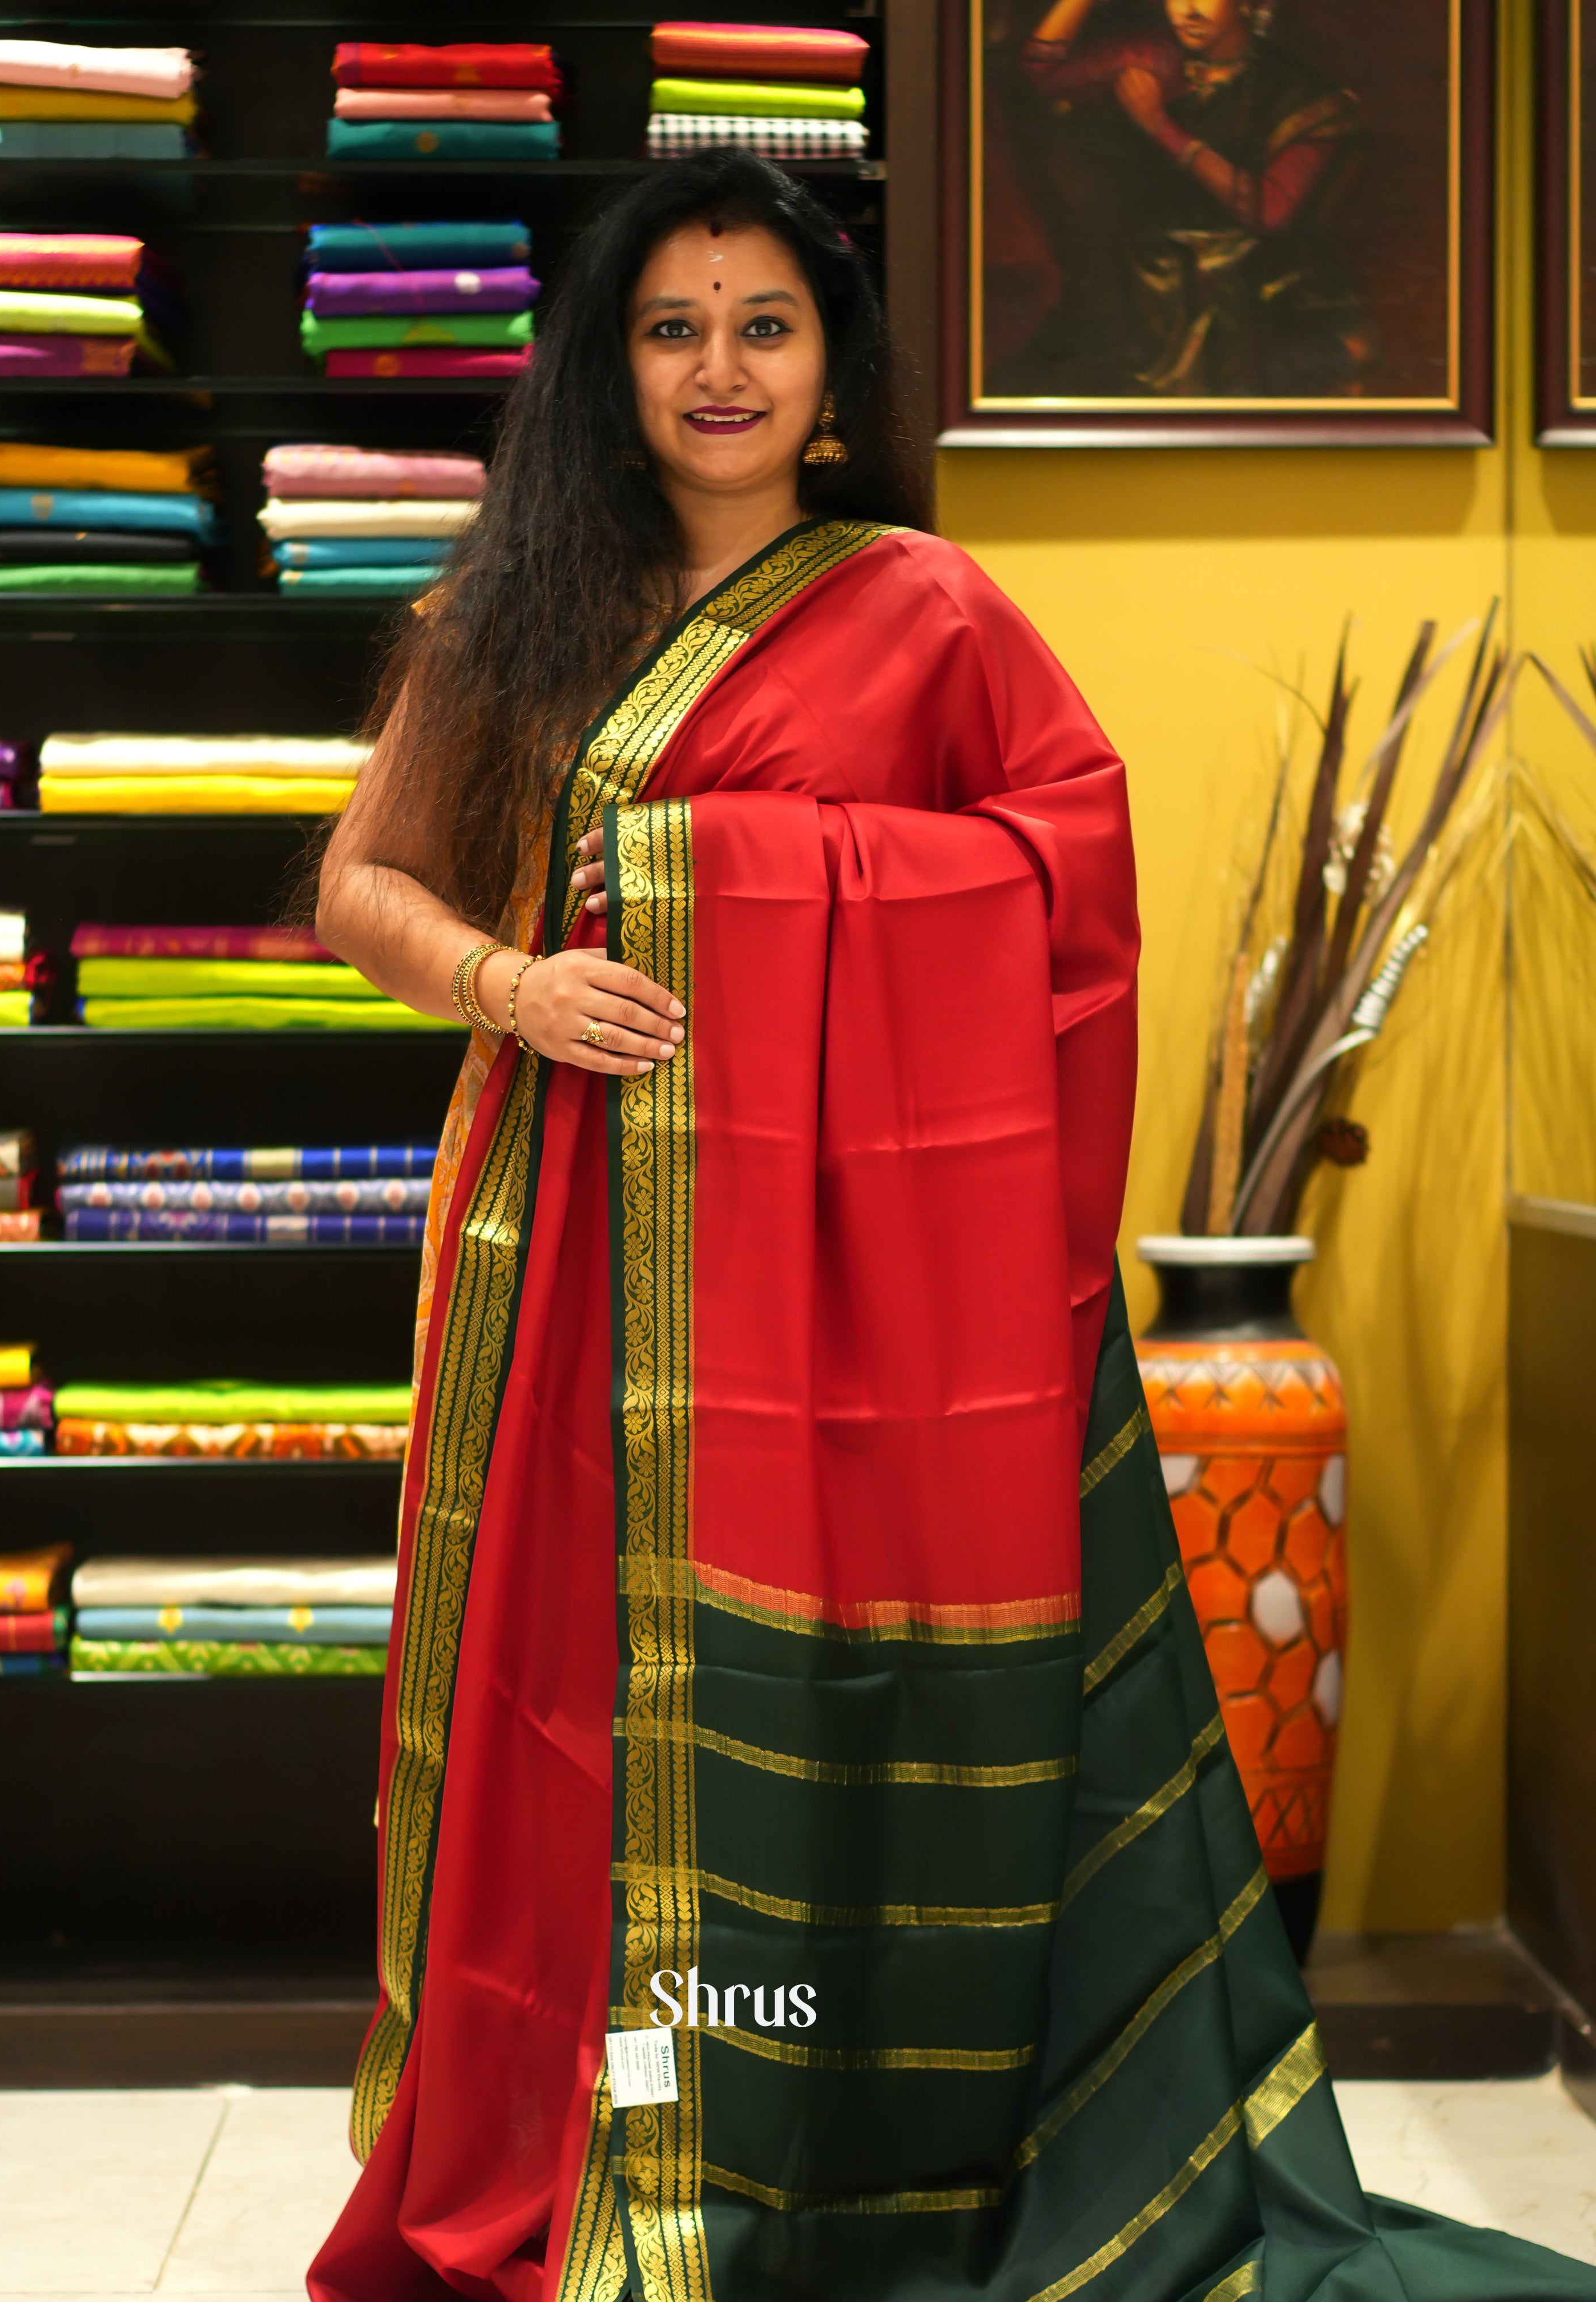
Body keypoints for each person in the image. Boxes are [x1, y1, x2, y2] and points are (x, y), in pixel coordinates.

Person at [307, 152, 1596, 2302]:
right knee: (563, 1718)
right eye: (668, 327)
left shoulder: (930, 609)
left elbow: (1058, 907)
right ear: (604, 365)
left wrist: (758, 892)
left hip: (837, 1316)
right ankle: (582, 2140)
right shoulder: (514, 600)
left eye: (763, 325)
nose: (716, 368)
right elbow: (364, 889)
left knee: (816, 1708)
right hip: (565, 1271)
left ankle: (802, 2141)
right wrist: (511, 981)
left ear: (830, 368)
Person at [996, 0, 1370, 397]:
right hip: (1142, 283)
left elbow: (1269, 211)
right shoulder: (1150, 56)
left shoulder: (1303, 95)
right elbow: (1039, 72)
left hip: (1250, 290)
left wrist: (1160, 127)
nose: (1187, 10)